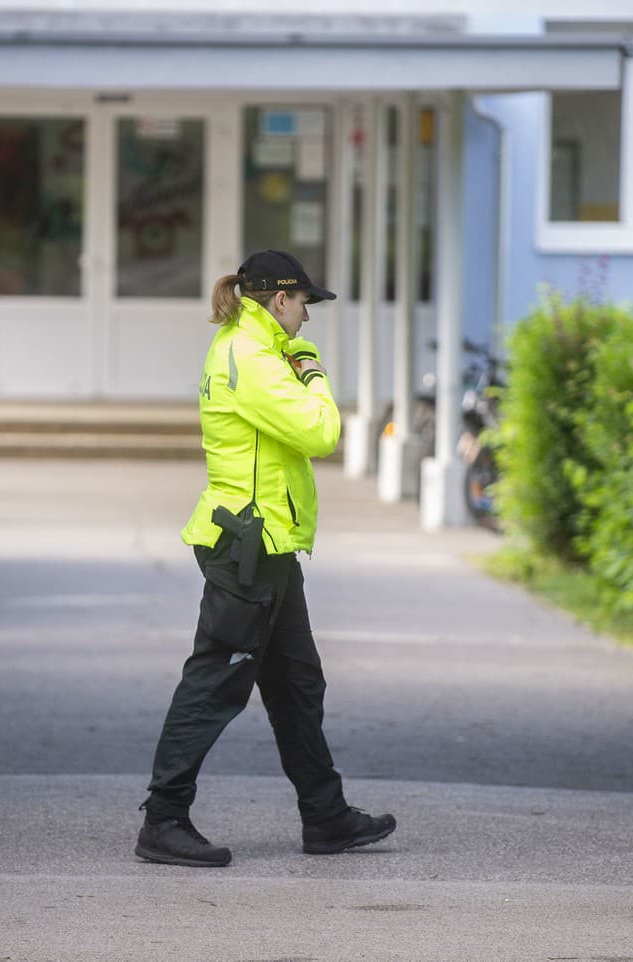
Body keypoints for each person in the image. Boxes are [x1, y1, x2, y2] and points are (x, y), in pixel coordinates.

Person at [135, 249, 397, 868]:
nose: (307, 316)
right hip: (247, 546)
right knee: (214, 681)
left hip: (268, 544)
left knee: (297, 684)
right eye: (304, 302)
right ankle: (163, 819)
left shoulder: (250, 348)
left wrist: (295, 359)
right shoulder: (252, 358)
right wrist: (313, 370)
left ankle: (326, 816)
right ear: (279, 299)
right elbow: (321, 431)